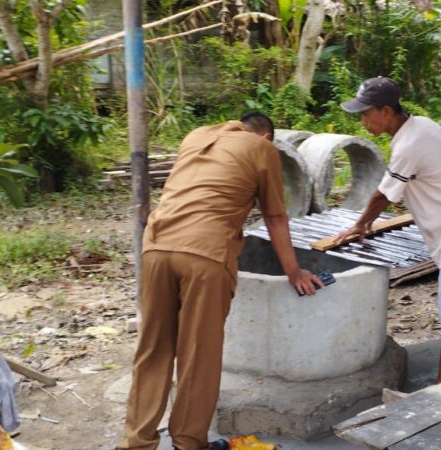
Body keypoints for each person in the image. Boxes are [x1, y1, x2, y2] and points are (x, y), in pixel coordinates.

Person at [117, 112, 323, 450]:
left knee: (153, 348)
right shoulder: (262, 148)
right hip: (206, 254)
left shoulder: (196, 135)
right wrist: (294, 271)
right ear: (266, 136)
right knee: (198, 352)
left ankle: (136, 442)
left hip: (156, 248)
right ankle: (188, 442)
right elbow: (274, 215)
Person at [335, 77, 441, 383]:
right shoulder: (422, 125)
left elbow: (383, 195)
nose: (362, 121)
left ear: (386, 111)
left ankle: (439, 392)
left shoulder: (410, 145)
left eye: (365, 113)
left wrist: (360, 224)